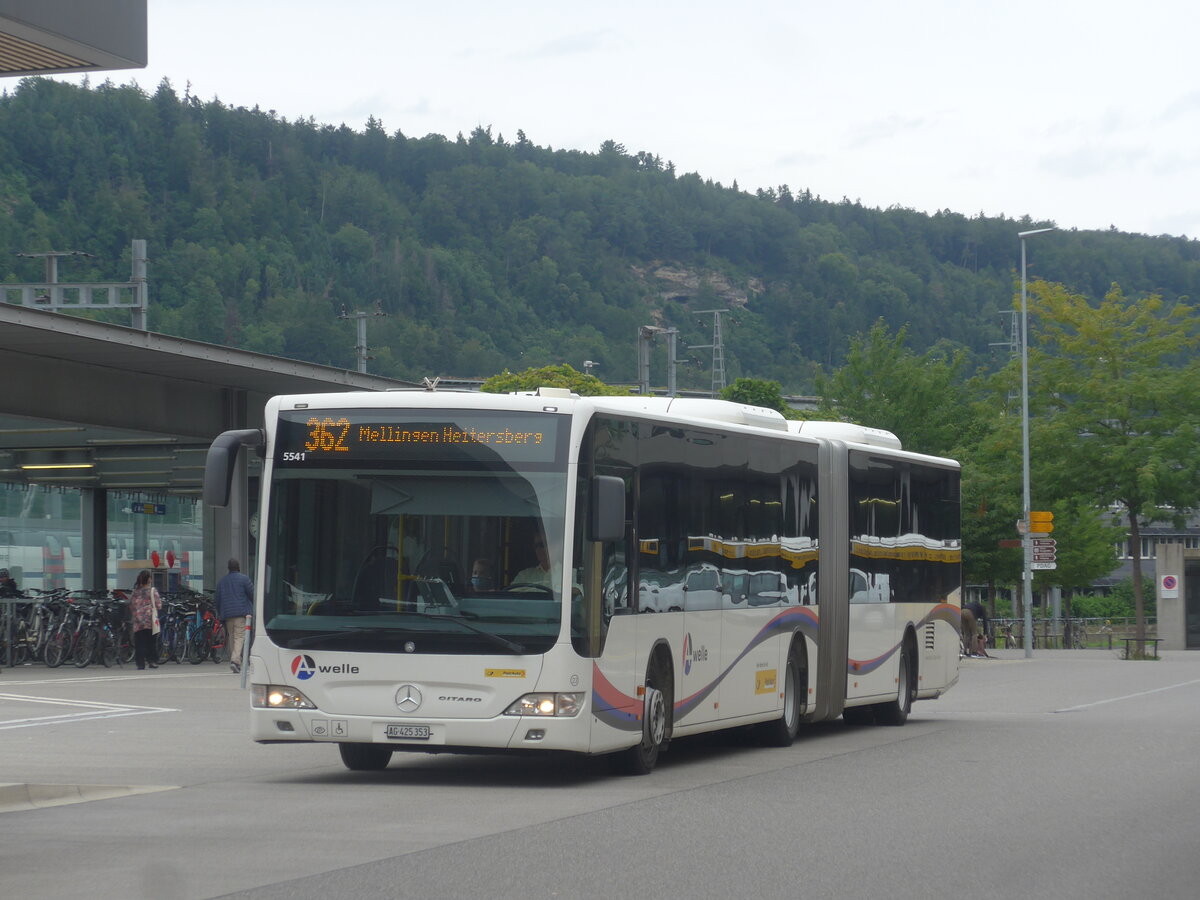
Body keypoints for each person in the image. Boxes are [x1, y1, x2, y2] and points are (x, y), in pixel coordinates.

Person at [215, 558, 254, 673]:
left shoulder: (222, 582)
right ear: (238, 567)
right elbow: (252, 594)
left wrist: (220, 612)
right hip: (241, 614)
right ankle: (235, 661)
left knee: (232, 637)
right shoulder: (244, 579)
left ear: (228, 568)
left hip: (227, 615)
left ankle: (235, 661)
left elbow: (217, 599)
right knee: (239, 637)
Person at [129, 569, 162, 671]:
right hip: (150, 621)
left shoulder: (135, 592)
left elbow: (131, 605)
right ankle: (151, 661)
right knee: (151, 642)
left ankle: (140, 663)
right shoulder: (152, 591)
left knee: (139, 643)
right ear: (149, 579)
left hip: (138, 622)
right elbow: (159, 605)